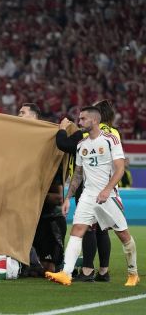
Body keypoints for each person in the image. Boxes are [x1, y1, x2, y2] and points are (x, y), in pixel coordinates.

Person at [46, 106, 139, 286]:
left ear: (94, 120)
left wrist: (107, 189)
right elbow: (78, 174)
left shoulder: (110, 139)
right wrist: (67, 198)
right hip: (88, 195)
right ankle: (66, 274)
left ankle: (133, 273)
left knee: (123, 235)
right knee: (77, 230)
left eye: (82, 119)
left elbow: (120, 169)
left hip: (108, 195)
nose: (79, 122)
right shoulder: (82, 144)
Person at [56, 99, 120, 282]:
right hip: (108, 185)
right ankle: (103, 271)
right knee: (102, 229)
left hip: (89, 183)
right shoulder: (114, 133)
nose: (82, 119)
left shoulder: (86, 133)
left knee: (87, 227)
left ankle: (87, 270)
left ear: (95, 117)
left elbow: (64, 145)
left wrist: (62, 128)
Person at [19, 103, 66, 273]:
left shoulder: (50, 159)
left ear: (34, 116)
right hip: (27, 217)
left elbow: (58, 198)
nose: (18, 116)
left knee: (48, 269)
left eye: (22, 113)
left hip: (48, 219)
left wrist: (30, 193)